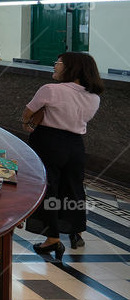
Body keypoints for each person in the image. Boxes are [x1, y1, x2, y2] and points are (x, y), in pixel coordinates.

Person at [22, 52, 103, 257]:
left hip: (48, 141)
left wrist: (26, 124)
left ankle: (53, 238)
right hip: (76, 145)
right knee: (74, 188)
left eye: (58, 63)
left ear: (71, 68)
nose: (54, 66)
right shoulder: (94, 97)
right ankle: (75, 230)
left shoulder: (50, 89)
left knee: (49, 187)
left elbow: (28, 112)